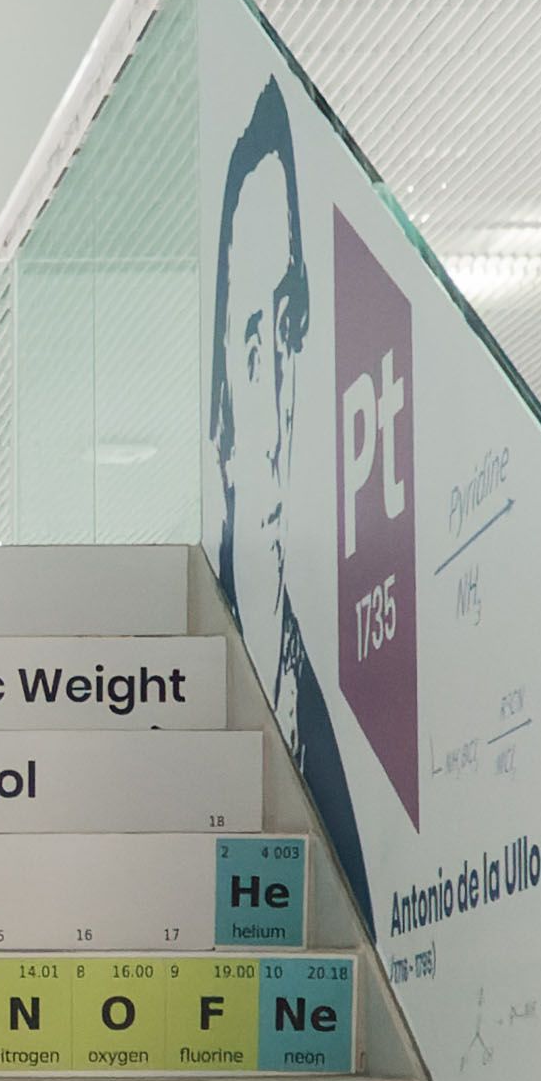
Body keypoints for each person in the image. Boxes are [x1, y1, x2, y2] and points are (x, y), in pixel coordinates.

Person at [204, 77, 368, 909]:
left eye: (290, 322)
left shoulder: (340, 779)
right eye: (249, 342)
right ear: (221, 416)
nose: (277, 397)